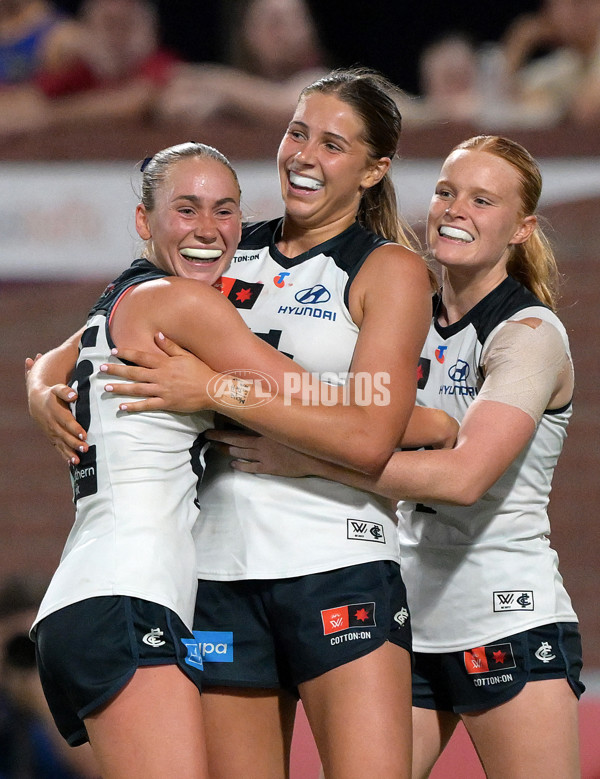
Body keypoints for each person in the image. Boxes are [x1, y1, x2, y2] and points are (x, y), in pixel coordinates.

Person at [27, 68, 440, 778]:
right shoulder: (217, 246)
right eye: (298, 131)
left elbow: (372, 430)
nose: (304, 154)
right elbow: (78, 346)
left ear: (375, 169)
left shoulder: (387, 267)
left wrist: (215, 387)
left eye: (333, 144)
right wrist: (39, 388)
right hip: (215, 571)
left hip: (335, 560)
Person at [200, 134, 585, 778]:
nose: (456, 209)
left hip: (501, 612)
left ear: (522, 229)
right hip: (409, 611)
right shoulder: (405, 314)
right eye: (445, 192)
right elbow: (352, 409)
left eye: (482, 200)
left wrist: (311, 458)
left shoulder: (529, 334)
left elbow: (463, 479)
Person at [156, 0, 328, 128]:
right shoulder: (232, 92)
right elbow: (173, 107)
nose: (285, 34)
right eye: (275, 22)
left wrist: (209, 81)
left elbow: (289, 106)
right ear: (248, 32)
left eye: (294, 21)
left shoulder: (323, 81)